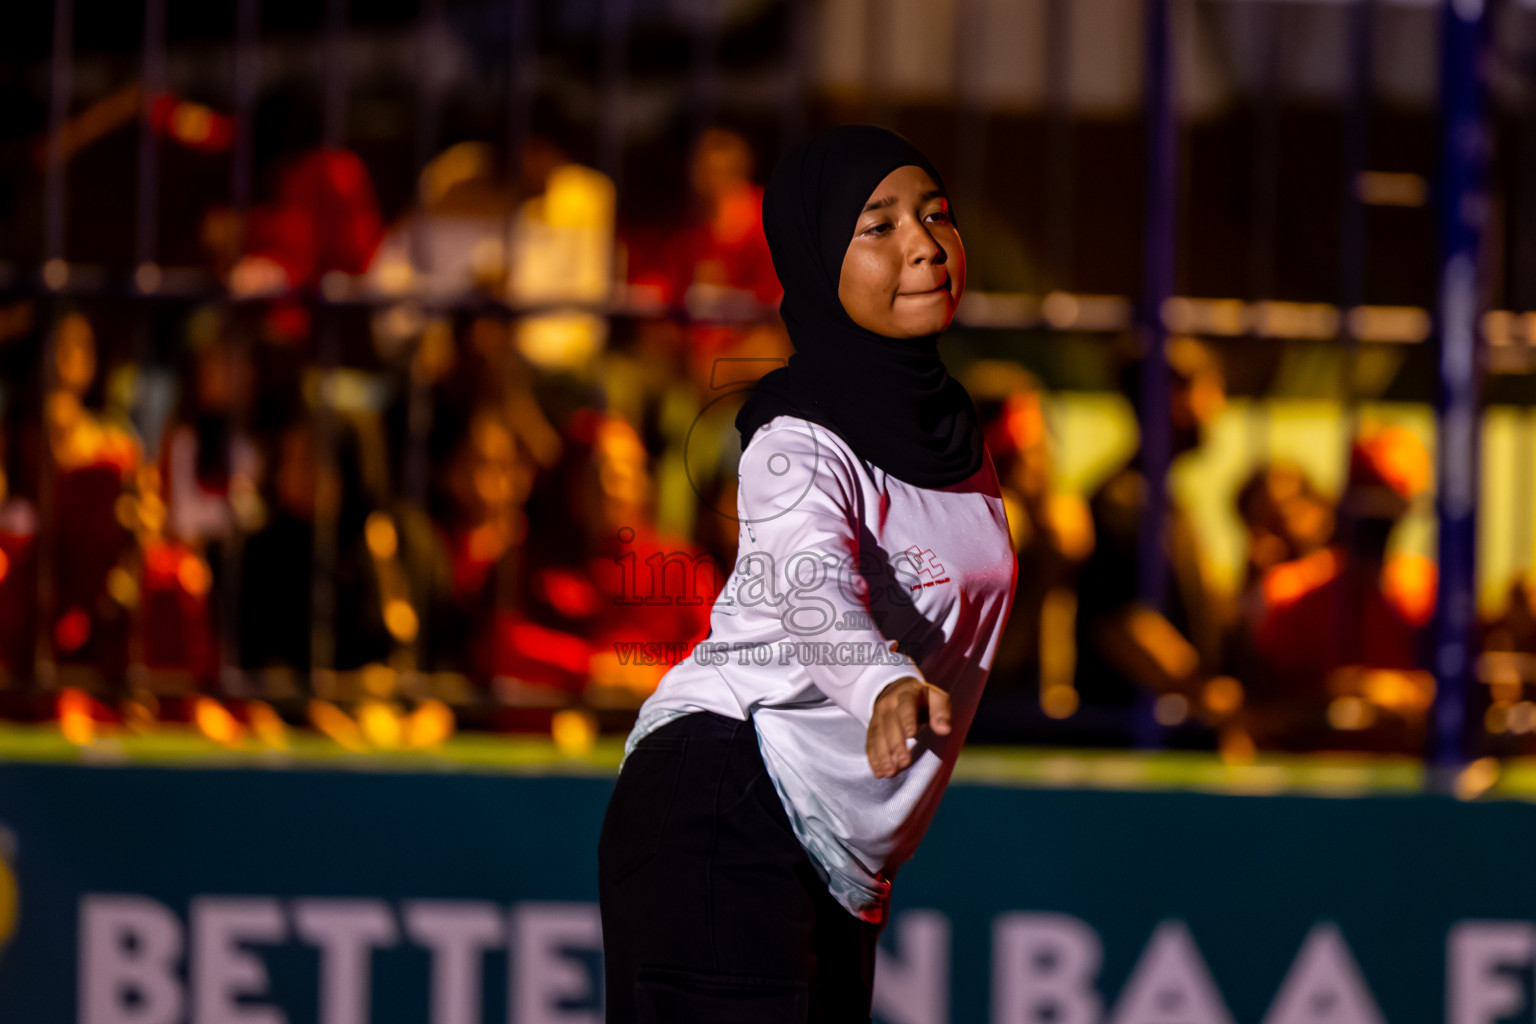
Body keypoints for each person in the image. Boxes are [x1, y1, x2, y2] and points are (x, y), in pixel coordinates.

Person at [596, 124, 1018, 1022]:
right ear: (817, 256)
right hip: (727, 798)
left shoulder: (949, 431)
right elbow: (808, 585)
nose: (925, 244)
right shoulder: (795, 440)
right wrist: (880, 685)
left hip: (834, 855)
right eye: (878, 226)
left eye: (936, 214)